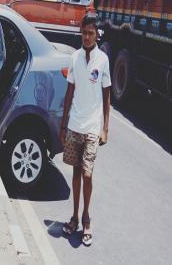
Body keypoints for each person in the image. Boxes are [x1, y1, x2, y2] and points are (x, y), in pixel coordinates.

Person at [60, 13, 111, 247]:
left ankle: (87, 217)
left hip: (92, 126)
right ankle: (74, 217)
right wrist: (63, 124)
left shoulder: (103, 60)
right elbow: (69, 92)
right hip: (74, 125)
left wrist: (105, 128)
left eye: (91, 33)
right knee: (76, 171)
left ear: (97, 34)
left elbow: (106, 94)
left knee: (88, 172)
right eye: (84, 32)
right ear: (80, 32)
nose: (87, 37)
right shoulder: (74, 58)